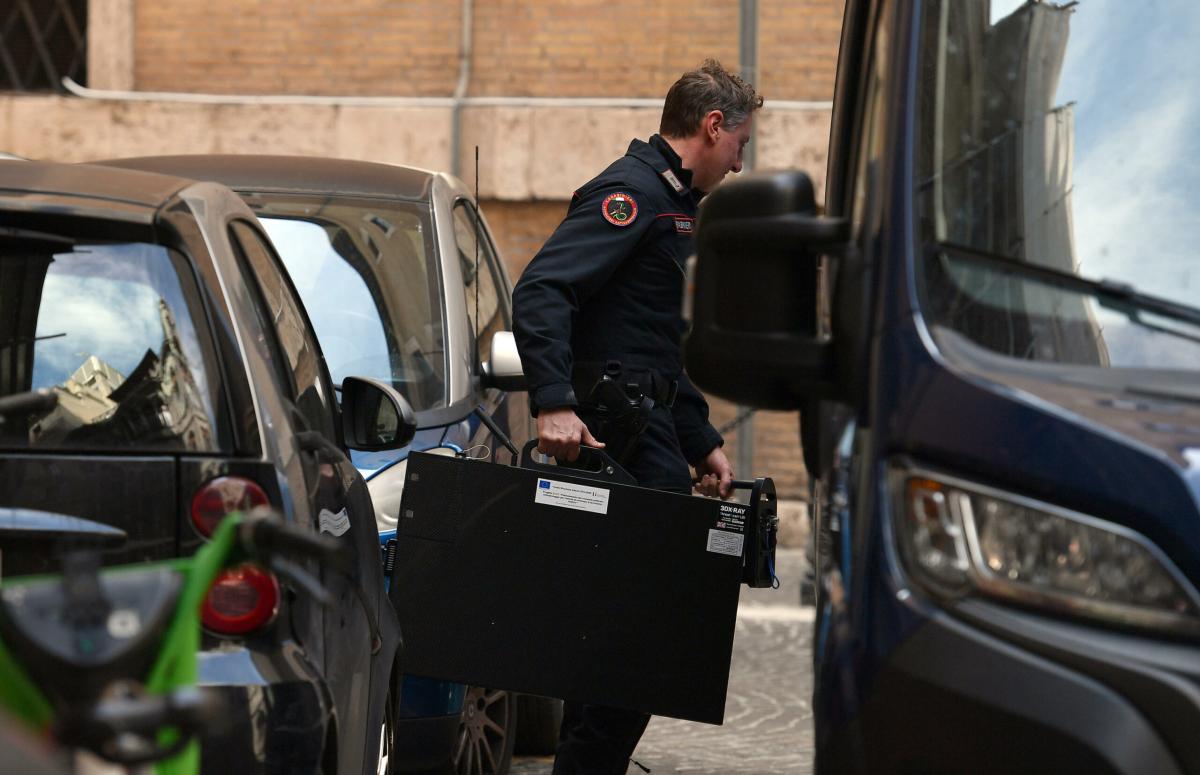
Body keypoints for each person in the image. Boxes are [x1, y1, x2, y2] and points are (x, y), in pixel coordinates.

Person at [511, 59, 763, 775]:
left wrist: (701, 439)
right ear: (712, 127)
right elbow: (543, 289)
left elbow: (654, 344)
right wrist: (553, 401)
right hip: (615, 441)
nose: (742, 161)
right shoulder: (631, 195)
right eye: (742, 143)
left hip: (649, 432)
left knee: (633, 637)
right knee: (644, 633)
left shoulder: (674, 204)